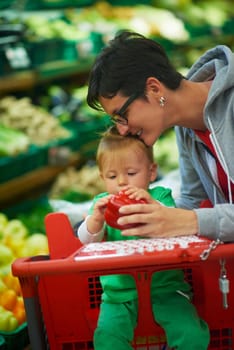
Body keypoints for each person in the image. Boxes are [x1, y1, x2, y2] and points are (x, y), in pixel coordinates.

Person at [86, 30, 234, 244]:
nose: (122, 130)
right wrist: (153, 209)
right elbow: (195, 200)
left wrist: (191, 221)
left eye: (122, 116)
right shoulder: (186, 128)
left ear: (154, 88)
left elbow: (192, 217)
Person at [77, 126, 210, 350]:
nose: (122, 182)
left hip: (167, 289)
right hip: (119, 295)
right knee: (106, 339)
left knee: (192, 334)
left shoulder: (160, 196)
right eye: (112, 176)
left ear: (151, 172)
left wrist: (151, 204)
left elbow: (173, 223)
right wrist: (95, 221)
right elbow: (85, 241)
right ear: (102, 178)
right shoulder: (102, 203)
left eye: (131, 174)